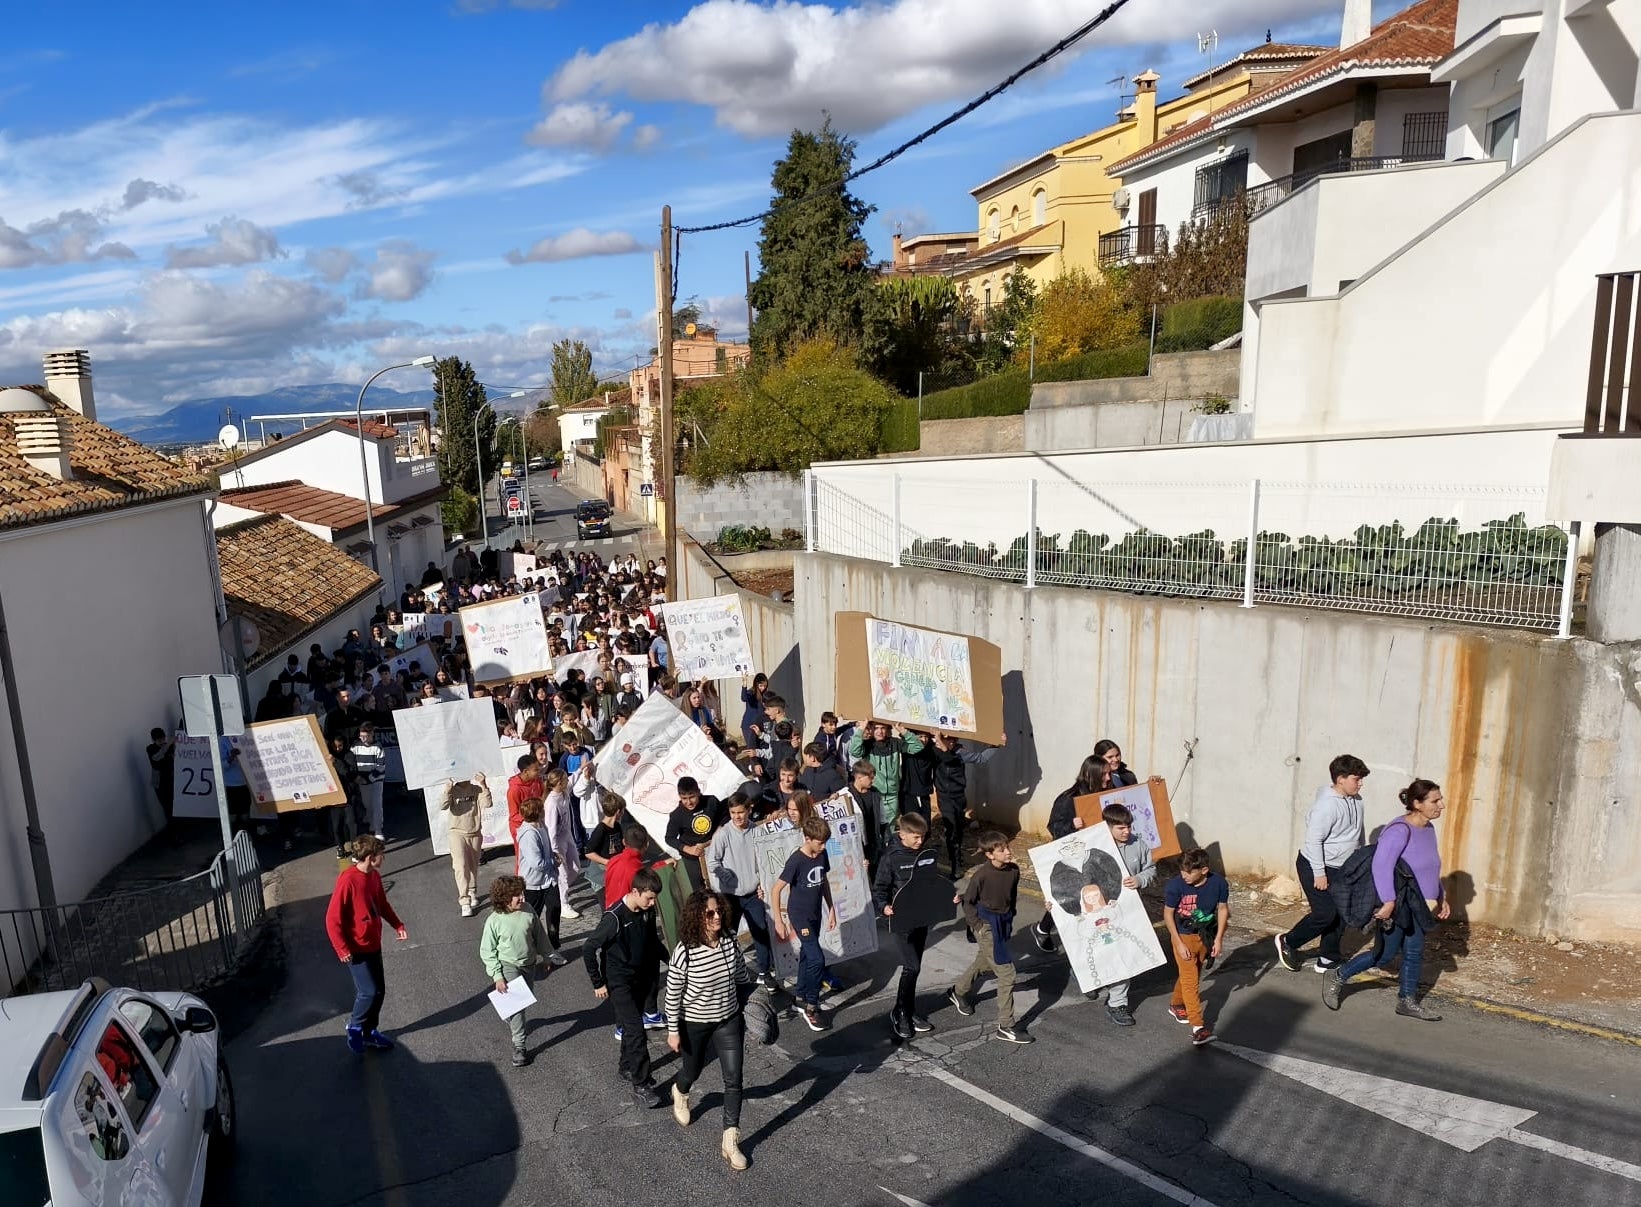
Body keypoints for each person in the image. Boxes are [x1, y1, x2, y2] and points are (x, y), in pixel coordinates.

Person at [1323, 780, 1450, 1021]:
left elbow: (1430, 865)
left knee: (1414, 952)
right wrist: (1389, 902)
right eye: (1435, 801)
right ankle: (1339, 974)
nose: (1441, 805)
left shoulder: (1428, 828)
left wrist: (1441, 894)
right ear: (1417, 804)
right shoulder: (1399, 830)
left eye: (1440, 799)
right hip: (1399, 902)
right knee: (1384, 955)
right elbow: (1381, 867)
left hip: (1417, 903)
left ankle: (1407, 1001)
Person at [664, 890, 755, 1171]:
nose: (717, 917)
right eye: (710, 914)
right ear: (697, 917)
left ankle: (730, 1140)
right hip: (696, 1023)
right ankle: (680, 1091)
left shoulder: (729, 942)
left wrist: (759, 997)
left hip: (728, 1020)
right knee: (692, 1070)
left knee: (734, 1080)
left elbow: (741, 975)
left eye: (719, 912)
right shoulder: (685, 952)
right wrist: (673, 1030)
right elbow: (672, 995)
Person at [1276, 754, 1369, 975]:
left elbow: (1358, 834)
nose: (1361, 783)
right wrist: (1319, 873)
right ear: (1340, 779)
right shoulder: (1327, 806)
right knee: (1325, 913)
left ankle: (1328, 957)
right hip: (1316, 866)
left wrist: (1359, 862)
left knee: (1341, 913)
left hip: (1342, 868)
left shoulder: (1357, 800)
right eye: (1357, 779)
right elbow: (1314, 840)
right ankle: (1288, 941)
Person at [584, 867, 668, 1108]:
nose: (652, 903)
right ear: (634, 891)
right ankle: (642, 1085)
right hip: (619, 981)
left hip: (641, 978)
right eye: (649, 897)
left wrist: (671, 962)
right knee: (636, 1029)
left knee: (631, 1028)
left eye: (654, 898)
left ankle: (626, 1066)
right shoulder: (614, 918)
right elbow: (589, 949)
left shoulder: (647, 911)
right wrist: (598, 982)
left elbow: (653, 941)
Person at [324, 836, 408, 1054]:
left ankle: (370, 1032)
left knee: (379, 991)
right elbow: (332, 919)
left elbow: (382, 904)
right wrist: (342, 949)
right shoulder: (348, 880)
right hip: (355, 949)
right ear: (371, 858)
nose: (384, 858)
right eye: (382, 855)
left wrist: (397, 924)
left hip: (373, 943)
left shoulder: (374, 876)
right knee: (368, 992)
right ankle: (354, 1027)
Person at [949, 831, 1029, 1043]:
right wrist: (978, 926)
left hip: (1003, 923)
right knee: (1007, 974)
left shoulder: (1014, 870)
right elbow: (970, 901)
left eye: (1007, 847)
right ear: (989, 855)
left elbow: (1008, 897)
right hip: (986, 925)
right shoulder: (981, 875)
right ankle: (1006, 1025)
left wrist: (1010, 917)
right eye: (1001, 849)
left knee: (983, 962)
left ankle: (958, 991)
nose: (1008, 852)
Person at [1033, 754, 1113, 953]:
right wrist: (1071, 825)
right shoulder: (1069, 799)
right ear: (1092, 775)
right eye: (1104, 774)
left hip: (1096, 857)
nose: (1108, 778)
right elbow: (1054, 827)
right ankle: (1045, 928)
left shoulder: (1106, 794)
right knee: (1072, 897)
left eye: (1109, 774)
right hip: (1074, 860)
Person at [873, 812, 941, 1040]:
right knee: (912, 966)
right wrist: (884, 906)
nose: (920, 841)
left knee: (915, 967)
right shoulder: (891, 857)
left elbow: (932, 881)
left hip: (921, 918)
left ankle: (909, 1010)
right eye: (916, 837)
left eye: (922, 837)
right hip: (901, 921)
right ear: (902, 834)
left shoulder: (926, 854)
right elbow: (880, 888)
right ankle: (900, 1012)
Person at [707, 792, 777, 991]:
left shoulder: (757, 831)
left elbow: (764, 860)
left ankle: (765, 972)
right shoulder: (723, 834)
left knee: (760, 931)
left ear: (749, 810)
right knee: (727, 935)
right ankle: (725, 974)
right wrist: (726, 876)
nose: (737, 817)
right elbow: (713, 862)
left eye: (741, 812)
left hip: (753, 893)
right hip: (730, 896)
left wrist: (763, 883)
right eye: (733, 812)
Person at [773, 815, 837, 1033]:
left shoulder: (822, 854)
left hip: (815, 913)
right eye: (820, 842)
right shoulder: (796, 861)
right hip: (799, 915)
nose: (823, 846)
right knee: (817, 959)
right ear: (807, 838)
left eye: (825, 842)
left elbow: (824, 881)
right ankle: (811, 1005)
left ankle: (799, 995)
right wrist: (779, 920)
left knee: (808, 955)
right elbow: (776, 889)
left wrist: (831, 909)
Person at [480, 874, 550, 1067]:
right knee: (518, 1006)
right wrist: (497, 976)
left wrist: (547, 955)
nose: (522, 898)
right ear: (503, 898)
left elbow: (539, 935)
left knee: (523, 1002)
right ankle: (519, 1046)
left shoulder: (528, 911)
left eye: (521, 893)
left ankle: (512, 1018)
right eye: (516, 895)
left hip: (528, 965)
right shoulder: (494, 920)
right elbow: (487, 951)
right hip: (508, 966)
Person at [1099, 801, 1156, 1027]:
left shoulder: (1138, 844)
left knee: (1123, 955)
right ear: (1108, 827)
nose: (1127, 832)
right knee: (1102, 952)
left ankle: (1117, 1002)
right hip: (1100, 913)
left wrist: (1140, 879)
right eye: (1121, 828)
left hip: (1128, 911)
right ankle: (1091, 977)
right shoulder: (1095, 845)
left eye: (1129, 827)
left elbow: (1151, 869)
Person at [1163, 847, 1228, 1046]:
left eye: (1189, 871)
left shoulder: (1219, 884)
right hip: (1183, 935)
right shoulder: (1175, 886)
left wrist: (1218, 939)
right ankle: (1198, 1027)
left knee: (1191, 974)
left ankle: (1176, 1004)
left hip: (1205, 935)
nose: (1184, 875)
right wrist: (1178, 942)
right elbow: (1168, 914)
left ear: (1204, 870)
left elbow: (1223, 909)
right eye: (1182, 870)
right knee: (1192, 982)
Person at [929, 731, 1004, 877]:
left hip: (958, 795)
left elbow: (980, 758)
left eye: (948, 740)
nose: (943, 743)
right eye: (941, 740)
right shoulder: (935, 752)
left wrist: (996, 745)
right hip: (944, 797)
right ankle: (955, 862)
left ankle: (957, 855)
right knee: (951, 828)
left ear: (953, 742)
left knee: (958, 828)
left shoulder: (960, 752)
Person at [516, 795, 570, 965]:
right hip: (533, 883)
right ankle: (528, 950)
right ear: (537, 812)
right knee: (532, 917)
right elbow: (536, 863)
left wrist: (552, 855)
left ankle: (553, 948)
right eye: (542, 809)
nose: (544, 811)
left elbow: (545, 854)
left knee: (554, 908)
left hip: (549, 880)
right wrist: (554, 861)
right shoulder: (528, 835)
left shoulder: (541, 826)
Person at [847, 721, 923, 834]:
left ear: (887, 730)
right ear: (872, 730)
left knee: (890, 828)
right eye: (876, 728)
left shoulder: (895, 743)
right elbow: (854, 751)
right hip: (876, 795)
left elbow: (918, 747)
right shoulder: (868, 745)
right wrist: (861, 729)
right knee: (876, 828)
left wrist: (903, 731)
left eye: (883, 728)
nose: (880, 731)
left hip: (892, 794)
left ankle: (888, 848)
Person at [440, 772, 491, 917]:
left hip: (474, 832)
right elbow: (442, 806)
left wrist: (483, 784)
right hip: (456, 833)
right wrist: (447, 790)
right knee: (460, 866)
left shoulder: (476, 789)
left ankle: (472, 891)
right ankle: (464, 901)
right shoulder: (452, 789)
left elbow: (487, 803)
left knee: (472, 865)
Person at [666, 776, 725, 892]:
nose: (689, 802)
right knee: (701, 891)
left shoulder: (711, 802)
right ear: (679, 796)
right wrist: (688, 849)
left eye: (692, 797)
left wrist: (720, 828)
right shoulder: (677, 815)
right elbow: (669, 838)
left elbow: (724, 815)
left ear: (698, 792)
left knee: (723, 881)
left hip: (715, 849)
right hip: (693, 858)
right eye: (684, 798)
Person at [350, 723, 388, 840]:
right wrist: (358, 777)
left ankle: (378, 829)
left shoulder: (378, 747)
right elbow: (352, 763)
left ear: (372, 734)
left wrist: (370, 778)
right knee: (367, 803)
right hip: (362, 781)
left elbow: (381, 766)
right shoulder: (355, 747)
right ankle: (371, 819)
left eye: (366, 736)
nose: (363, 739)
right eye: (361, 736)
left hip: (376, 780)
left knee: (377, 804)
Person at [507, 754, 545, 865]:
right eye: (535, 770)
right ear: (525, 771)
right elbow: (514, 815)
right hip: (521, 828)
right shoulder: (514, 790)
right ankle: (522, 881)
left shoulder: (537, 781)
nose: (538, 771)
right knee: (524, 859)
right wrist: (530, 819)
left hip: (537, 823)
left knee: (539, 854)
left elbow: (542, 798)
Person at [845, 759, 885, 864]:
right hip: (855, 845)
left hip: (873, 843)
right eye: (870, 778)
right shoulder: (845, 795)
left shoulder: (875, 794)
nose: (873, 780)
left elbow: (882, 820)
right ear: (859, 777)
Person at [146, 728, 175, 822]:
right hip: (159, 782)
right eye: (159, 740)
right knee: (167, 807)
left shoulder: (168, 746)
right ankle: (172, 831)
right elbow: (156, 757)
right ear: (154, 740)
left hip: (169, 778)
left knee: (173, 805)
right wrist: (168, 745)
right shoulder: (150, 748)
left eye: (163, 739)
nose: (162, 741)